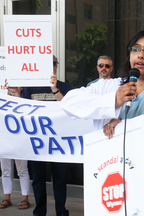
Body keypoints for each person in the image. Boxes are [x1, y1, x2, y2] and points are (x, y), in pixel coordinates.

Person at [61, 29, 144, 216]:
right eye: (135, 49)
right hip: (116, 183)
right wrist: (112, 101)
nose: (140, 54)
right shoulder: (110, 86)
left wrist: (124, 127)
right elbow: (69, 103)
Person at [6, 55, 72, 216]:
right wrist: (15, 94)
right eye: (48, 65)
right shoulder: (30, 88)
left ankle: (61, 212)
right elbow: (22, 110)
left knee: (59, 180)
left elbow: (71, 109)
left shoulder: (66, 87)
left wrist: (55, 90)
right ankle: (39, 212)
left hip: (59, 142)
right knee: (38, 179)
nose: (52, 68)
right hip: (37, 143)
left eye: (54, 65)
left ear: (57, 67)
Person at [0, 88, 30, 209]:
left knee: (22, 170)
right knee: (5, 171)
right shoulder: (3, 96)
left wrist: (16, 95)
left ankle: (25, 198)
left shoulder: (25, 97)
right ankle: (7, 198)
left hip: (19, 139)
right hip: (4, 138)